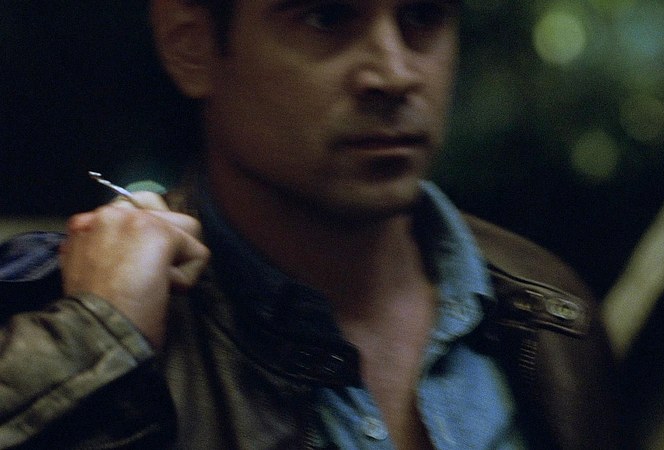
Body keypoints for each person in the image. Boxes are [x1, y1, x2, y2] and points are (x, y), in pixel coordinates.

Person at [0, 0, 623, 448]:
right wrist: (96, 348)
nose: (395, 74)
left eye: (423, 16)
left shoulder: (546, 312)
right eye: (326, 17)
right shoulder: (79, 327)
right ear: (191, 46)